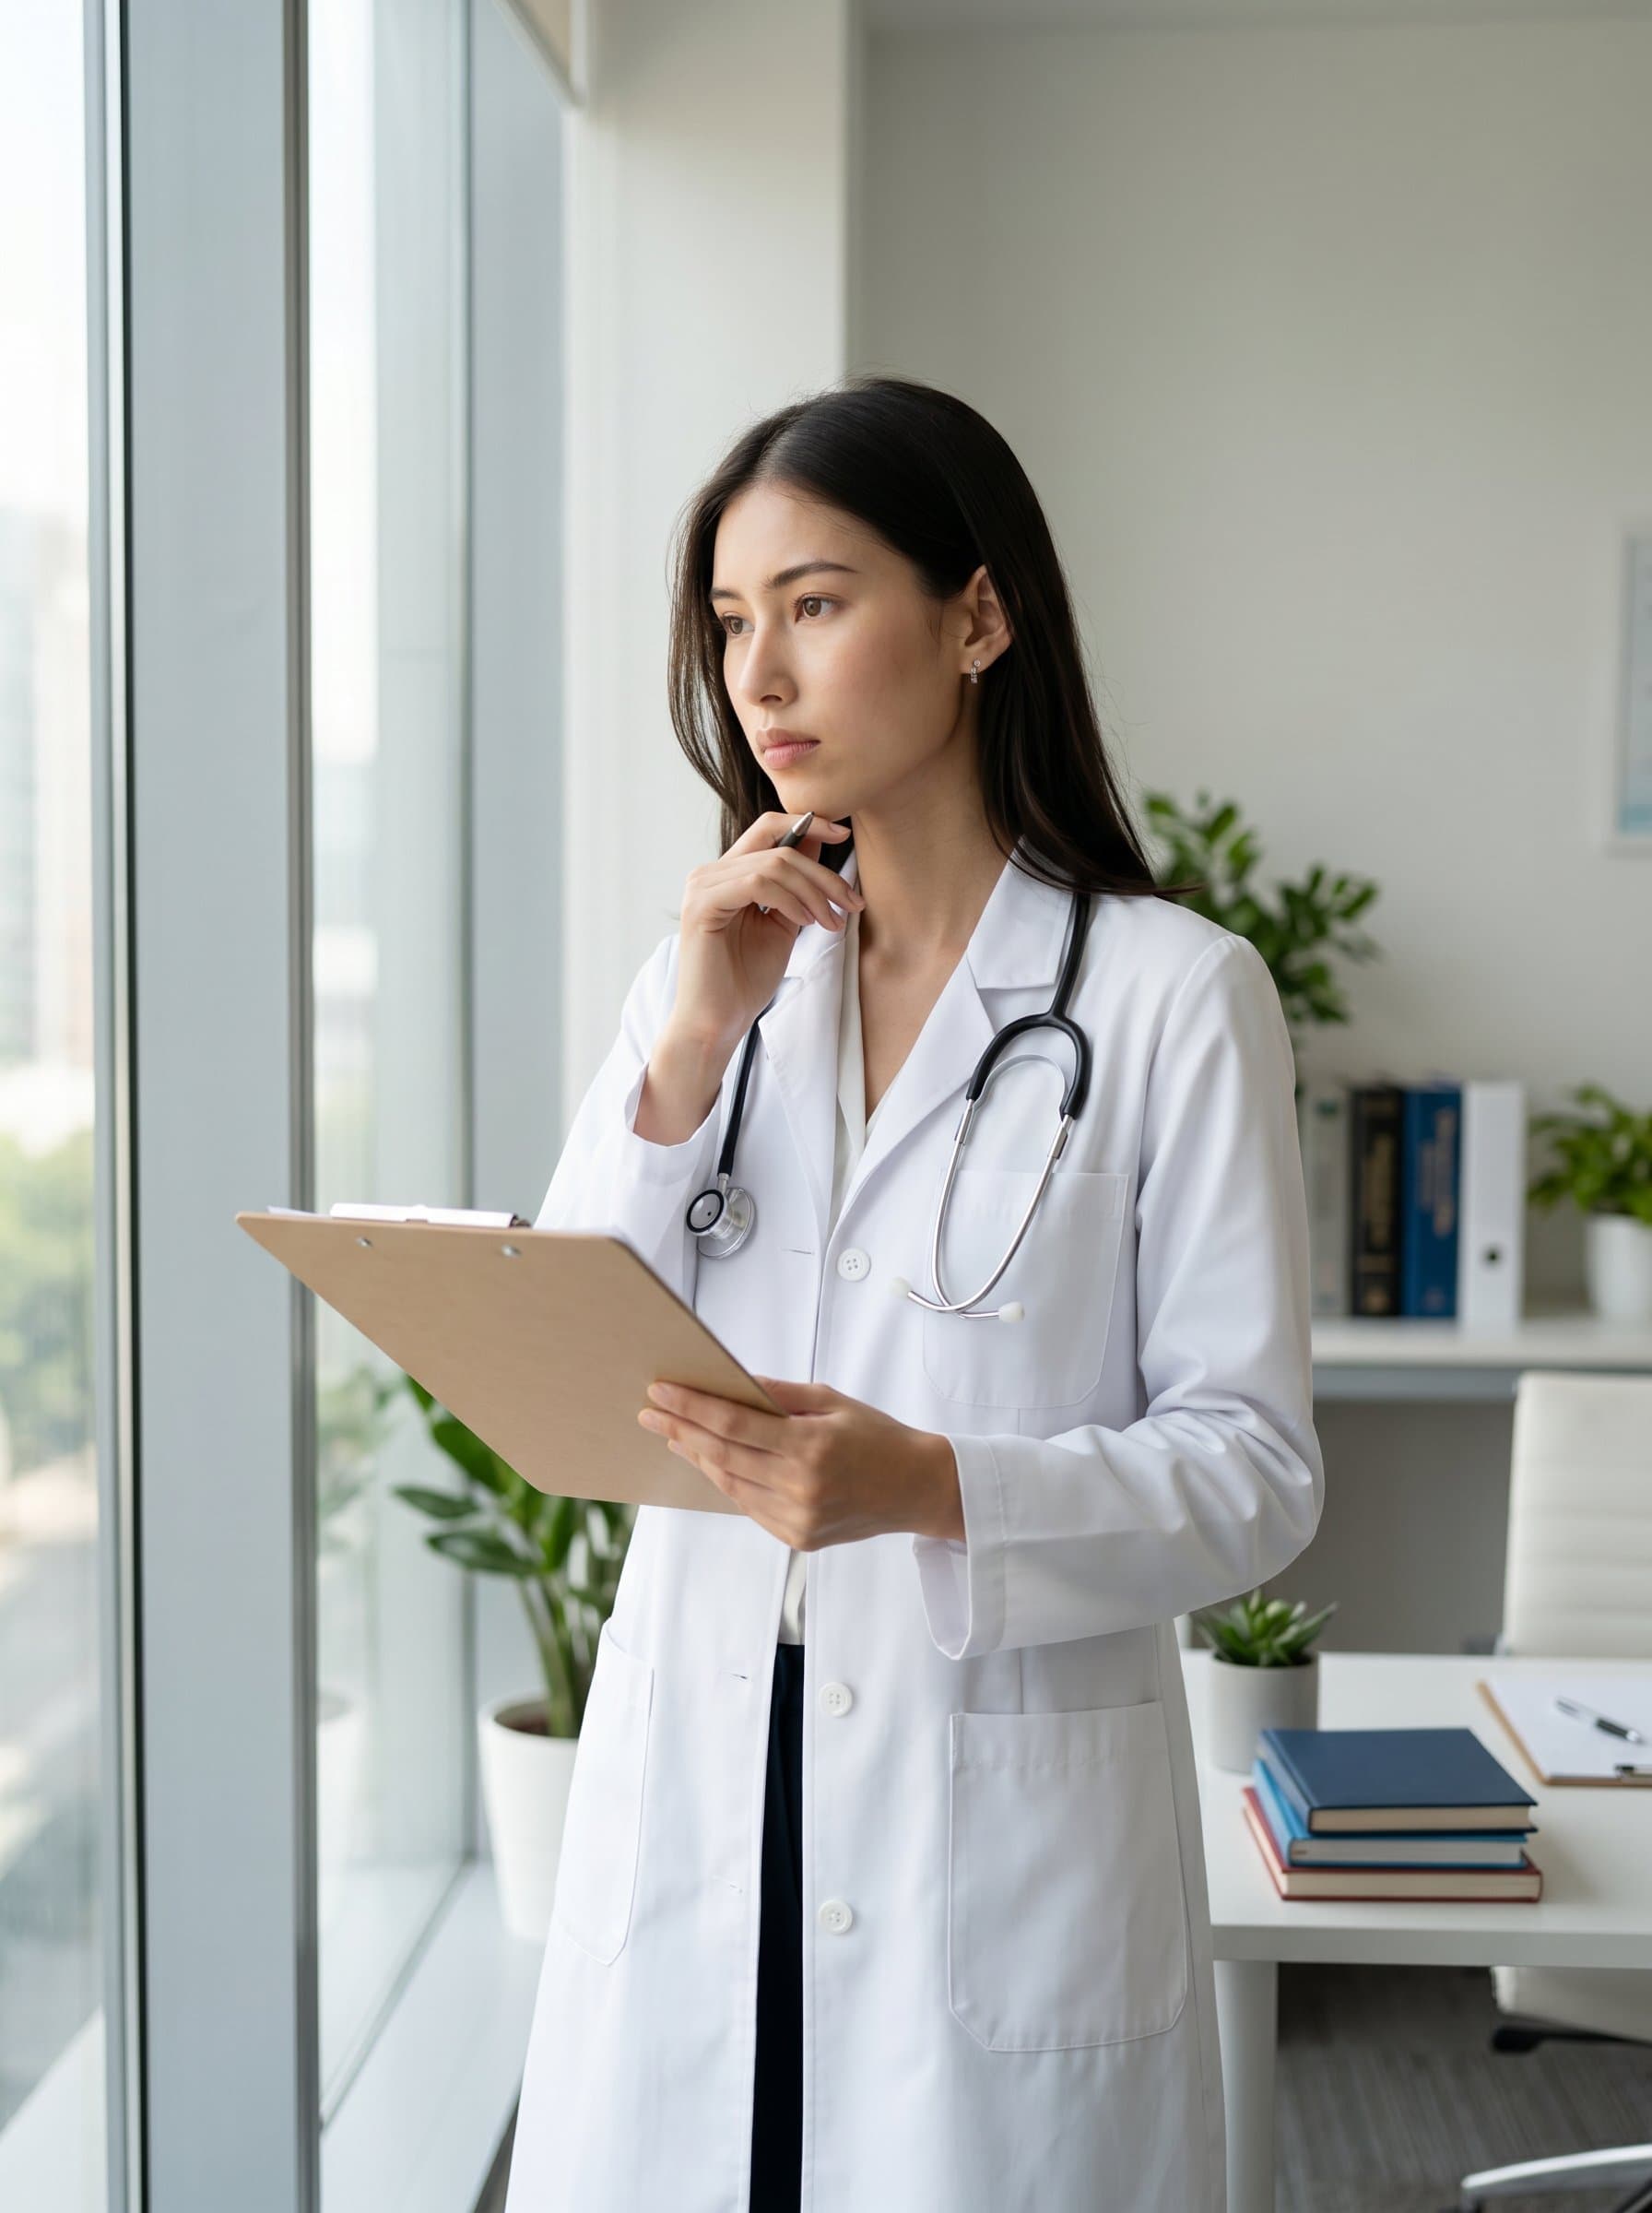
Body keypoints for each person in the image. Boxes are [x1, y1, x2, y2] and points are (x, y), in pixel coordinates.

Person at [502, 373, 1324, 2213]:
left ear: (976, 615)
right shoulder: (710, 974)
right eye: (729, 623)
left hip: (981, 1810)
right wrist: (693, 1035)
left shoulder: (1170, 999)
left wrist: (933, 1489)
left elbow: (1255, 1472)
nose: (757, 679)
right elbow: (565, 1372)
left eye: (813, 603)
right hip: (703, 1770)